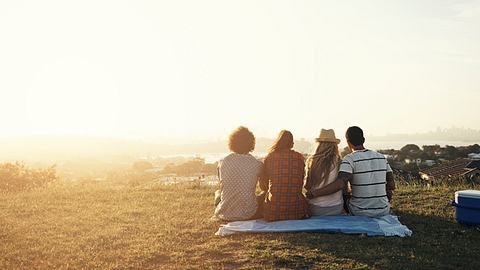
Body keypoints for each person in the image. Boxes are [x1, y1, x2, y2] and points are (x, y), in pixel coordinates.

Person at [306, 126, 395, 217]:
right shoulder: (381, 157)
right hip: (383, 210)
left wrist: (314, 193)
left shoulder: (349, 159)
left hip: (358, 211)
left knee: (347, 197)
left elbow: (340, 183)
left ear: (348, 143)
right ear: (363, 140)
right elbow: (392, 185)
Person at [212, 126, 264, 222]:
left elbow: (222, 185)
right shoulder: (257, 164)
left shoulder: (222, 162)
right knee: (264, 195)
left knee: (218, 193)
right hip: (248, 213)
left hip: (225, 213)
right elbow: (264, 186)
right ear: (251, 143)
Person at [260, 130, 308, 221]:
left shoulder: (270, 157)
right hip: (297, 211)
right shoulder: (299, 157)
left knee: (261, 196)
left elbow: (263, 186)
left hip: (273, 212)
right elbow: (300, 182)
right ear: (292, 144)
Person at [304, 129, 344, 216]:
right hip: (336, 207)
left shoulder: (312, 162)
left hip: (315, 208)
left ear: (319, 145)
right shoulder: (339, 162)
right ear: (334, 145)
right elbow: (343, 186)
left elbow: (307, 186)